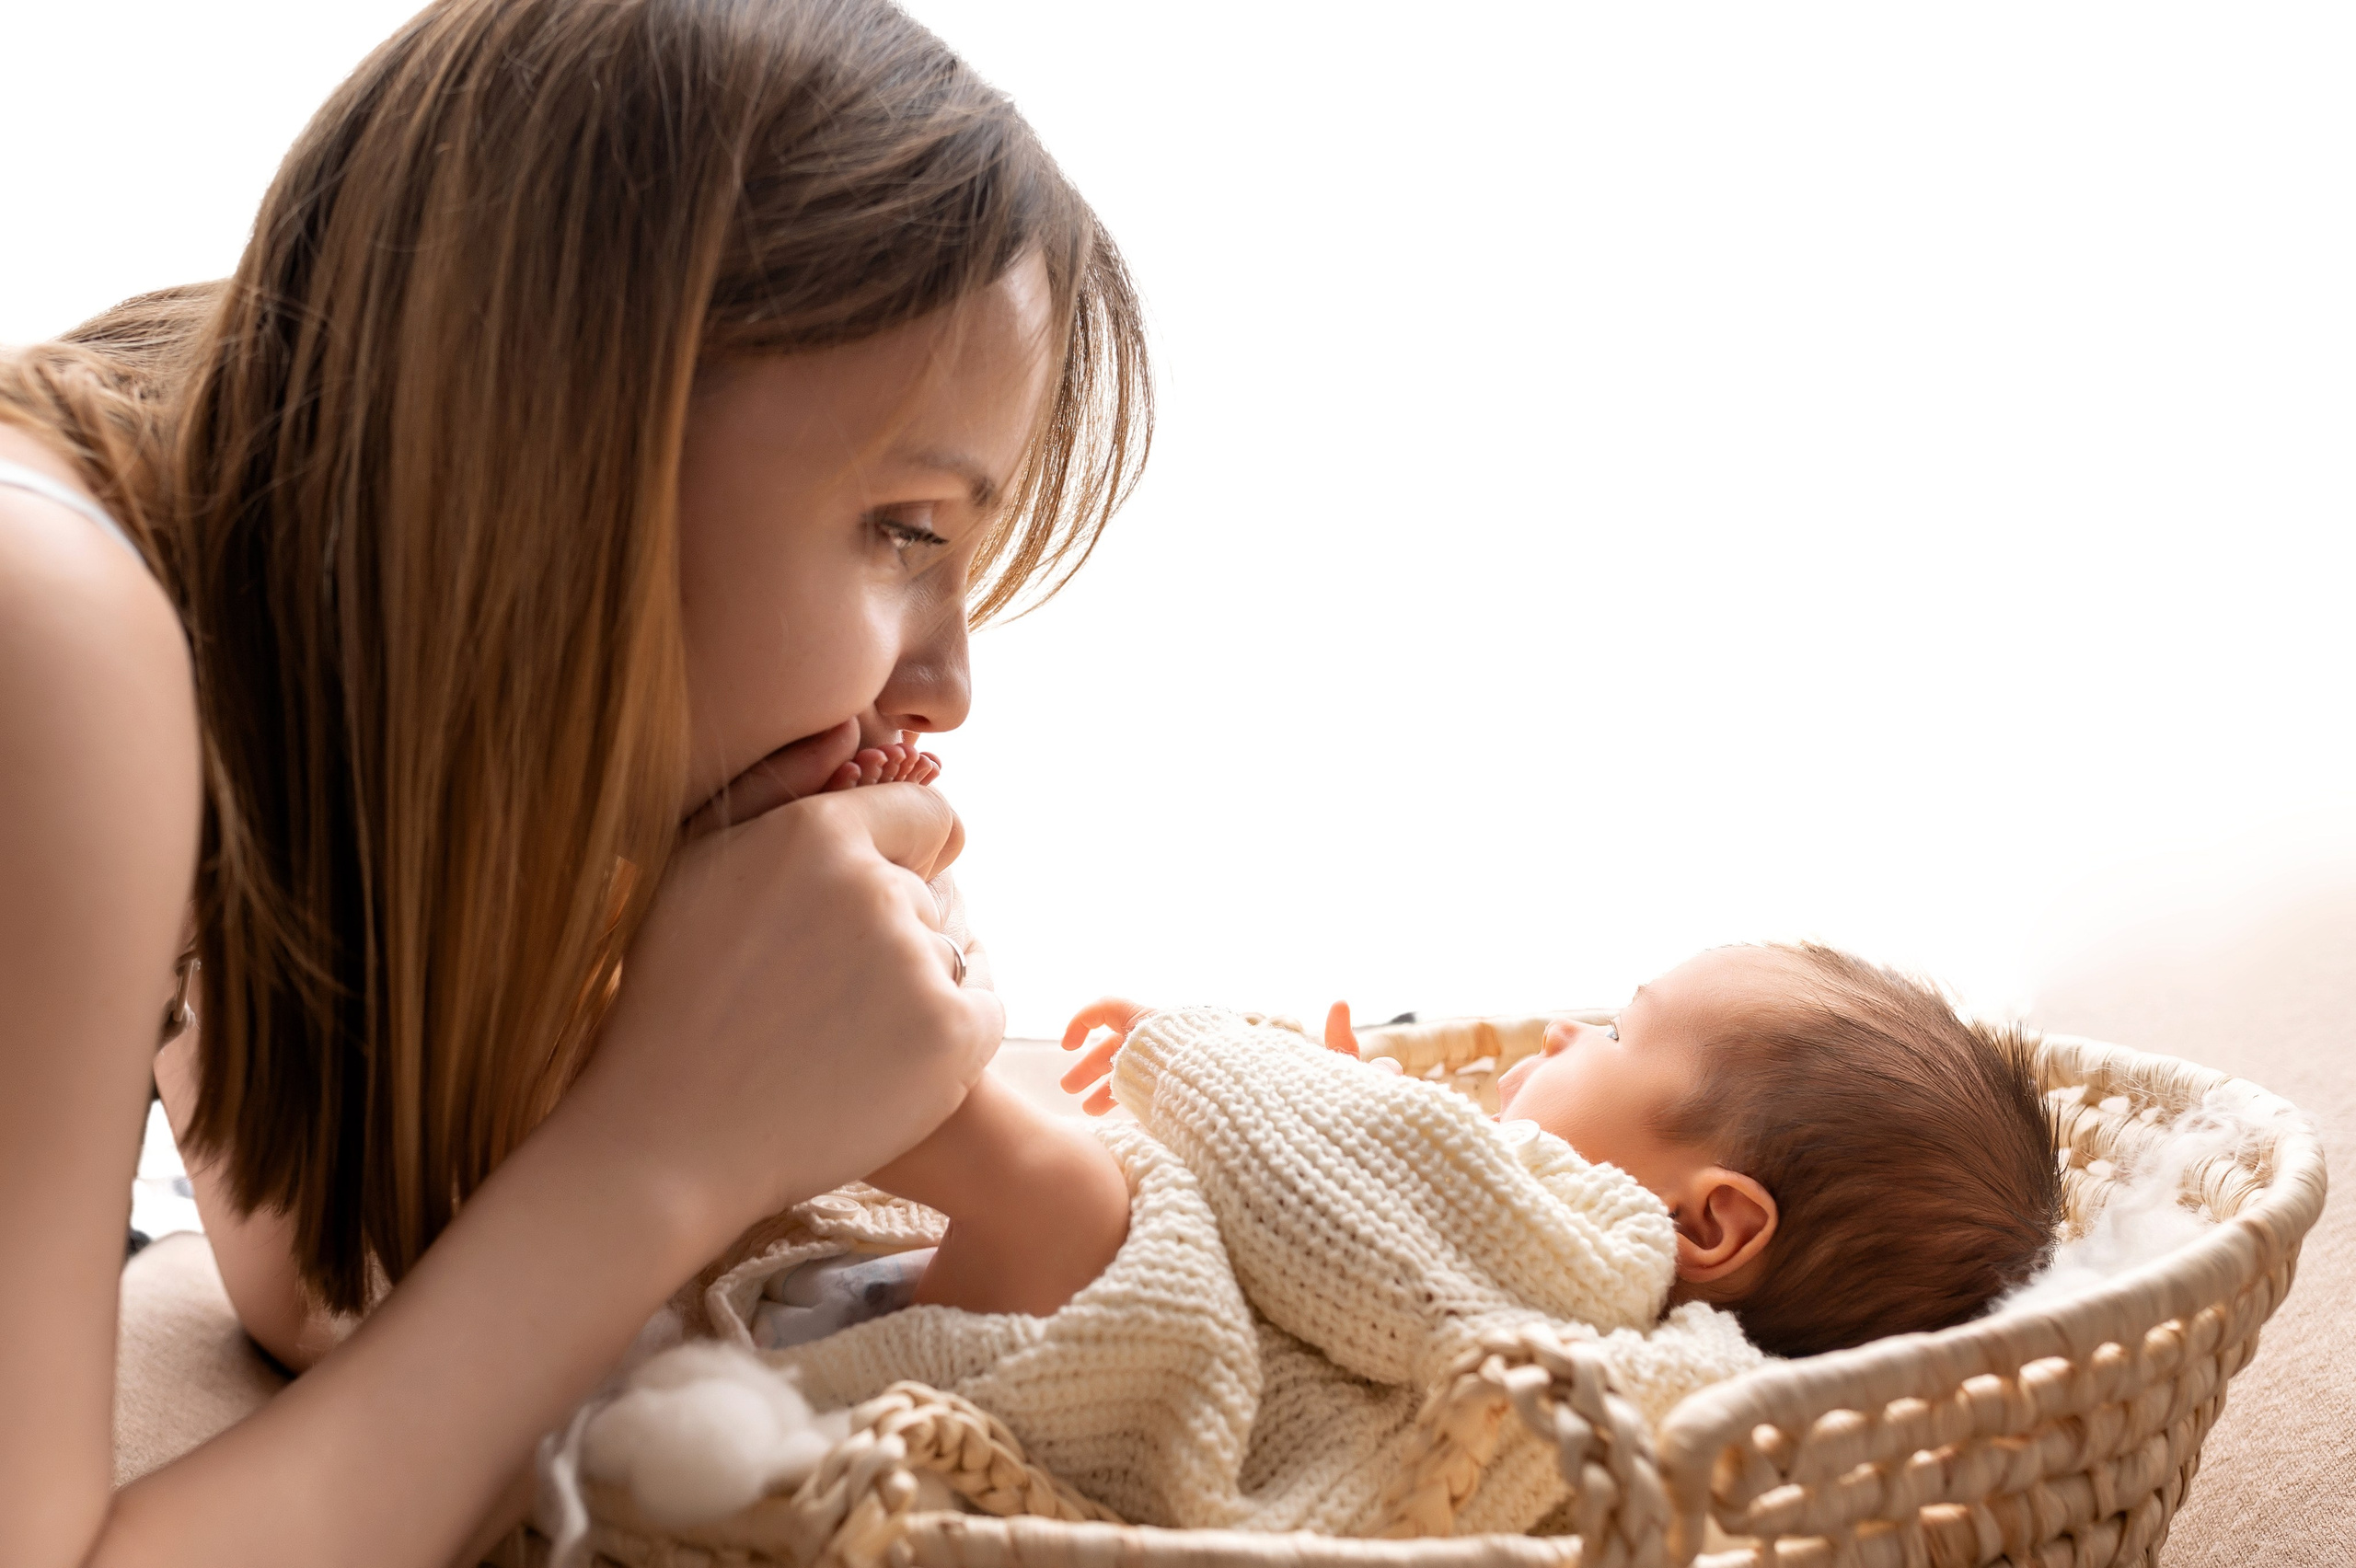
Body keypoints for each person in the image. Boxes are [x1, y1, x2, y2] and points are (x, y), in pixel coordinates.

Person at [0, 1, 1149, 1562]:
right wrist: (674, 1142)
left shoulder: (272, 645)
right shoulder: (50, 627)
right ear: (581, 426)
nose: (944, 688)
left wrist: (883, 1108)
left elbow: (324, 1292)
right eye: (908, 529)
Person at [842, 941, 2063, 1358]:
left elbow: (1342, 1219)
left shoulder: (1587, 1278)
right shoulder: (1528, 1243)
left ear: (1707, 1224)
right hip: (1030, 1293)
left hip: (1082, 1333)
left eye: (1621, 1034)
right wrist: (1346, 1102)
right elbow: (1365, 1220)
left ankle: (850, 1058)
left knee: (1061, 1184)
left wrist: (1214, 1060)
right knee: (1069, 1183)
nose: (1570, 1031)